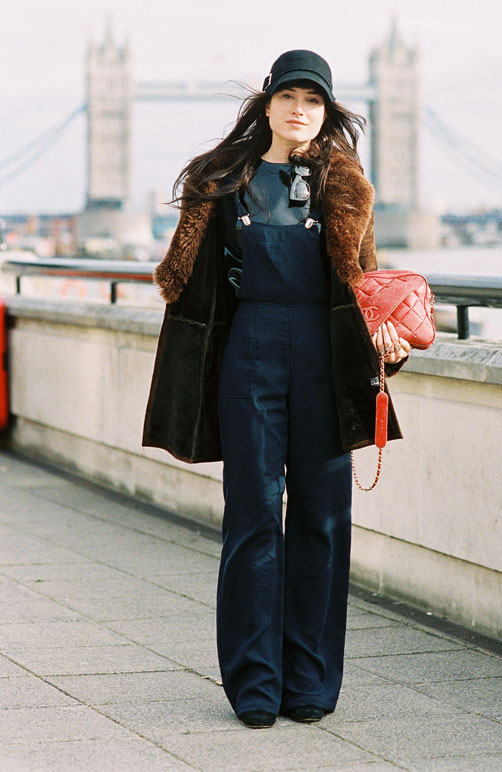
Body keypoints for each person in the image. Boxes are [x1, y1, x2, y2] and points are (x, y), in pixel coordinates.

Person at [143, 49, 411, 729]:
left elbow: (368, 287)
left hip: (327, 362)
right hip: (249, 356)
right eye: (289, 96)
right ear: (266, 104)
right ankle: (254, 684)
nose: (300, 110)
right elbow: (183, 285)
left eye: (314, 101)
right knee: (253, 515)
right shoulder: (221, 182)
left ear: (326, 113)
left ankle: (311, 681)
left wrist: (388, 339)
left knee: (323, 520)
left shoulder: (348, 188)